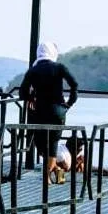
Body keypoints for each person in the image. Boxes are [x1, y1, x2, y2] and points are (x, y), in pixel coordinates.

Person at [19, 41, 79, 182]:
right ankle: (56, 176)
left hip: (39, 112)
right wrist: (68, 104)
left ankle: (48, 177)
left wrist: (30, 98)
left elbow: (22, 92)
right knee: (53, 143)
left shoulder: (33, 70)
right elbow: (74, 85)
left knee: (41, 147)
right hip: (57, 112)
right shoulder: (59, 68)